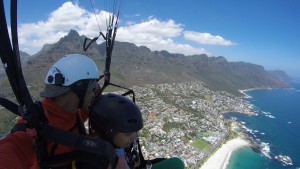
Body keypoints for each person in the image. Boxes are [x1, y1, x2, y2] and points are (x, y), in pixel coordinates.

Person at [0, 53, 101, 169]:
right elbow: (12, 150)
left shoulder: (73, 112)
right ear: (78, 88)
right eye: (92, 89)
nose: (94, 94)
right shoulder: (35, 126)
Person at [77, 93, 185, 169]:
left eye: (135, 132)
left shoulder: (120, 144)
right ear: (108, 131)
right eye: (128, 134)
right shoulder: (95, 160)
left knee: (177, 164)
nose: (135, 137)